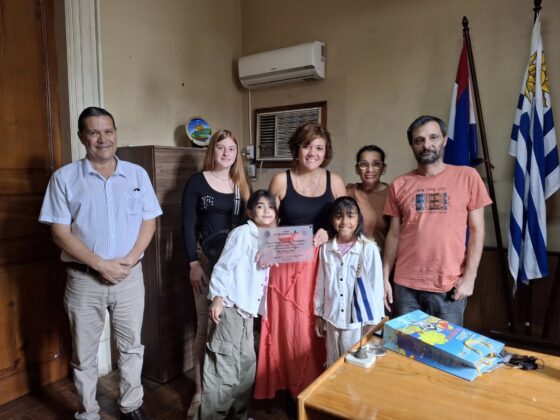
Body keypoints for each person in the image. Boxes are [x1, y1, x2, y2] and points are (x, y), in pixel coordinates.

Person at [38, 107, 162, 420]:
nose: (102, 138)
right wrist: (100, 265)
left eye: (108, 131)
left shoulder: (137, 175)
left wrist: (130, 260)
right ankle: (89, 411)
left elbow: (149, 221)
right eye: (93, 132)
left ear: (116, 133)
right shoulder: (64, 178)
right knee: (84, 353)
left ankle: (131, 404)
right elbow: (59, 232)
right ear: (82, 137)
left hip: (129, 278)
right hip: (84, 281)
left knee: (132, 347)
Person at [254, 123, 346, 405]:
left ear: (326, 152)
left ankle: (310, 390)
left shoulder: (335, 181)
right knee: (284, 326)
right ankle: (282, 386)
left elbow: (347, 223)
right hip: (284, 266)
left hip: (321, 265)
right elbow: (266, 222)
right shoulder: (281, 180)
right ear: (297, 148)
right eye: (307, 146)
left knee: (313, 329)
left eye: (319, 147)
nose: (312, 153)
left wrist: (328, 232)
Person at [383, 115, 492, 326]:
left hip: (448, 287)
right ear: (412, 145)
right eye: (419, 140)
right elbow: (394, 235)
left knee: (445, 355)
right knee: (407, 354)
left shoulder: (468, 177)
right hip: (405, 287)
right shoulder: (399, 184)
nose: (427, 145)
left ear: (444, 140)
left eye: (433, 137)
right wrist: (384, 278)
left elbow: (478, 231)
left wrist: (469, 279)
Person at [181, 129, 251, 417]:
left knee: (232, 326)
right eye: (220, 148)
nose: (226, 153)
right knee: (204, 325)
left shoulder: (241, 184)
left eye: (231, 149)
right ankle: (200, 391)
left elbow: (252, 224)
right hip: (205, 260)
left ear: (236, 154)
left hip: (235, 263)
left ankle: (228, 390)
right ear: (213, 150)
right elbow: (186, 225)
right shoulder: (197, 182)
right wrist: (192, 263)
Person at [199, 190, 277, 419]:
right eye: (260, 206)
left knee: (246, 368)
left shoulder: (267, 239)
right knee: (224, 371)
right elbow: (224, 266)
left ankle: (239, 415)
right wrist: (218, 297)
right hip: (231, 307)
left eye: (270, 207)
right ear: (250, 212)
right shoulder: (242, 234)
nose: (266, 211)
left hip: (247, 312)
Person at [314, 196, 384, 367]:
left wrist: (375, 324)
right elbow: (321, 283)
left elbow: (376, 287)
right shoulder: (326, 249)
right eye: (339, 216)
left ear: (358, 219)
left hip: (357, 323)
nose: (344, 221)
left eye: (350, 216)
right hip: (332, 317)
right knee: (332, 362)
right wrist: (319, 314)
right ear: (332, 220)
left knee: (353, 363)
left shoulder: (368, 249)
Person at [346, 145, 390, 252]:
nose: (370, 170)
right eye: (363, 165)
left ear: (384, 168)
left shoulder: (392, 195)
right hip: (352, 261)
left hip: (380, 262)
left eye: (376, 164)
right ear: (357, 169)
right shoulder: (348, 192)